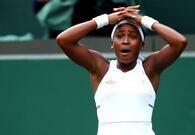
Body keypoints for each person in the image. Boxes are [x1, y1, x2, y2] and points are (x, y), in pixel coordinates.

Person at [56, 5, 187, 135]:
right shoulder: (101, 68)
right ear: (112, 43)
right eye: (119, 36)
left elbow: (180, 42)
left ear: (141, 44)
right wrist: (105, 19)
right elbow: (64, 40)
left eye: (132, 36)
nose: (125, 41)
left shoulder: (149, 68)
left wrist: (142, 20)